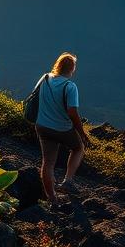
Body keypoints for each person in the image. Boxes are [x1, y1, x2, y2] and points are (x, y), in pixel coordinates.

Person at [33, 53, 90, 206]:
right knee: (78, 147)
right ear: (72, 69)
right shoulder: (70, 86)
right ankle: (68, 180)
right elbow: (72, 112)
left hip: (42, 126)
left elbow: (34, 97)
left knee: (48, 162)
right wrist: (81, 132)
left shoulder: (45, 78)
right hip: (62, 128)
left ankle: (52, 199)